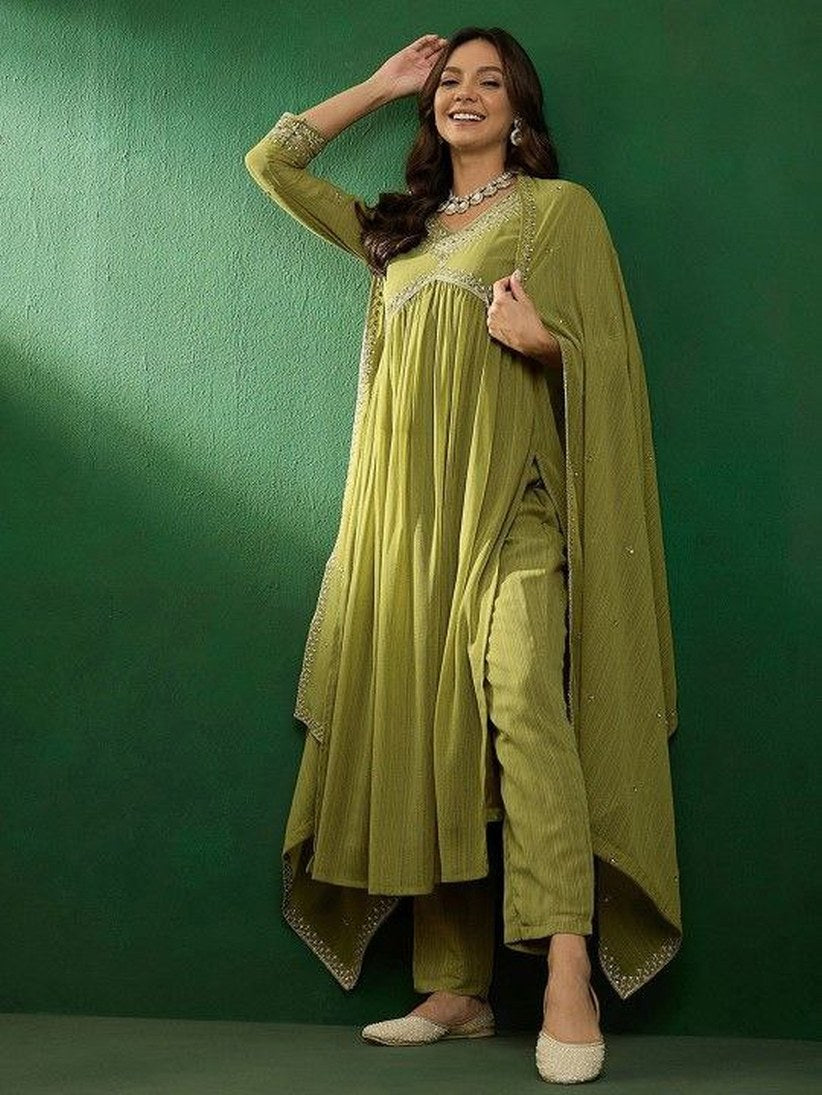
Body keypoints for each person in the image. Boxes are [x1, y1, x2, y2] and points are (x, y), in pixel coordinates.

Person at [244, 26, 682, 1085]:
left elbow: (613, 361)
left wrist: (551, 347)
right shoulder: (398, 232)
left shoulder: (557, 213)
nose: (464, 93)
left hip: (513, 508)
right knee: (429, 717)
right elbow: (272, 165)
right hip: (407, 527)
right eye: (448, 81)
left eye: (489, 81)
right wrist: (378, 85)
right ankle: (456, 988)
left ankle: (567, 970)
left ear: (520, 109)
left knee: (524, 696)